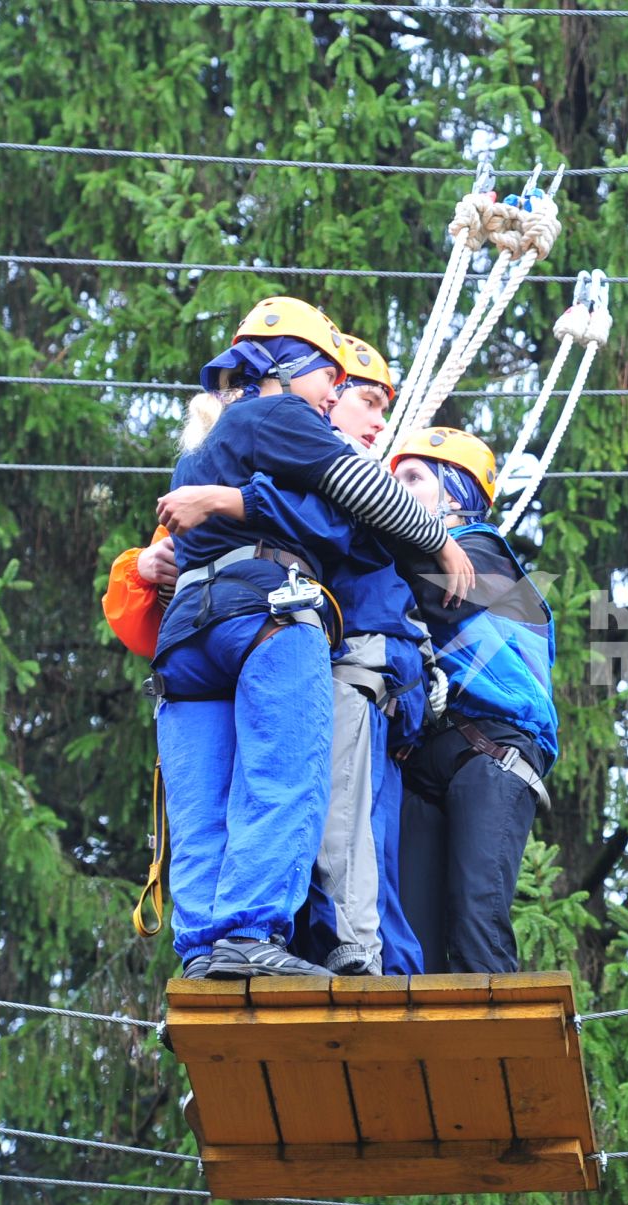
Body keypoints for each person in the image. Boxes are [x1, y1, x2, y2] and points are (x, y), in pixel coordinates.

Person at [151, 296, 472, 981]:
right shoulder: (282, 413)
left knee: (205, 807)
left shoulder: (198, 455)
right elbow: (360, 491)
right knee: (280, 776)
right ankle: (248, 935)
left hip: (185, 639)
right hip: (267, 611)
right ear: (289, 367)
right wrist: (438, 539)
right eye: (329, 374)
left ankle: (205, 958)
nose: (333, 393)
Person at [386, 427, 558, 975]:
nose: (397, 490)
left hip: (495, 750)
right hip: (427, 759)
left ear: (455, 493)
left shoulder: (484, 555)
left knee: (475, 921)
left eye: (413, 478)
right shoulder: (412, 557)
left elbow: (425, 591)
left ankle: (500, 1049)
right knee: (413, 938)